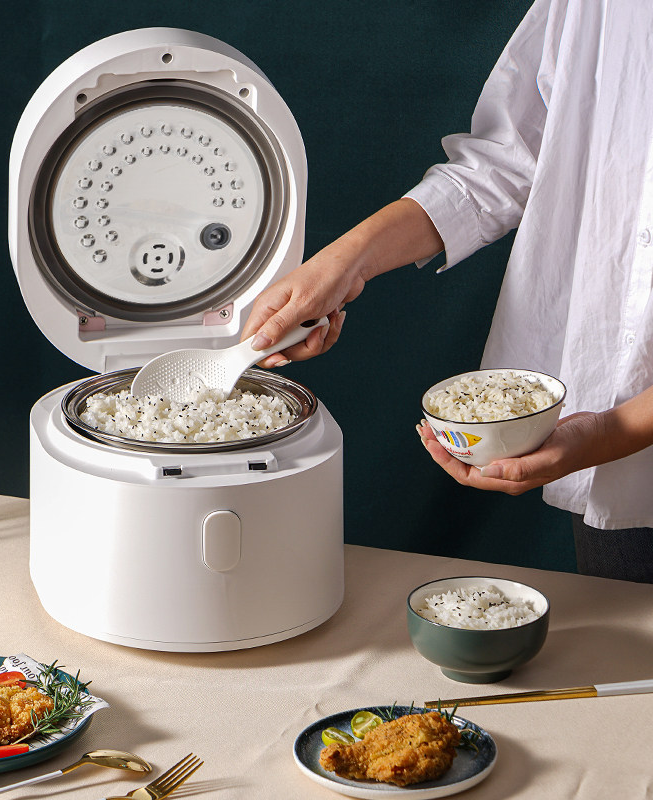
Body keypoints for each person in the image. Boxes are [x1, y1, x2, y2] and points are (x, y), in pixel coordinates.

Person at [240, 0, 653, 582]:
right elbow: (509, 161)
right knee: (624, 632)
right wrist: (343, 263)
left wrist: (610, 432)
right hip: (621, 454)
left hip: (619, 436)